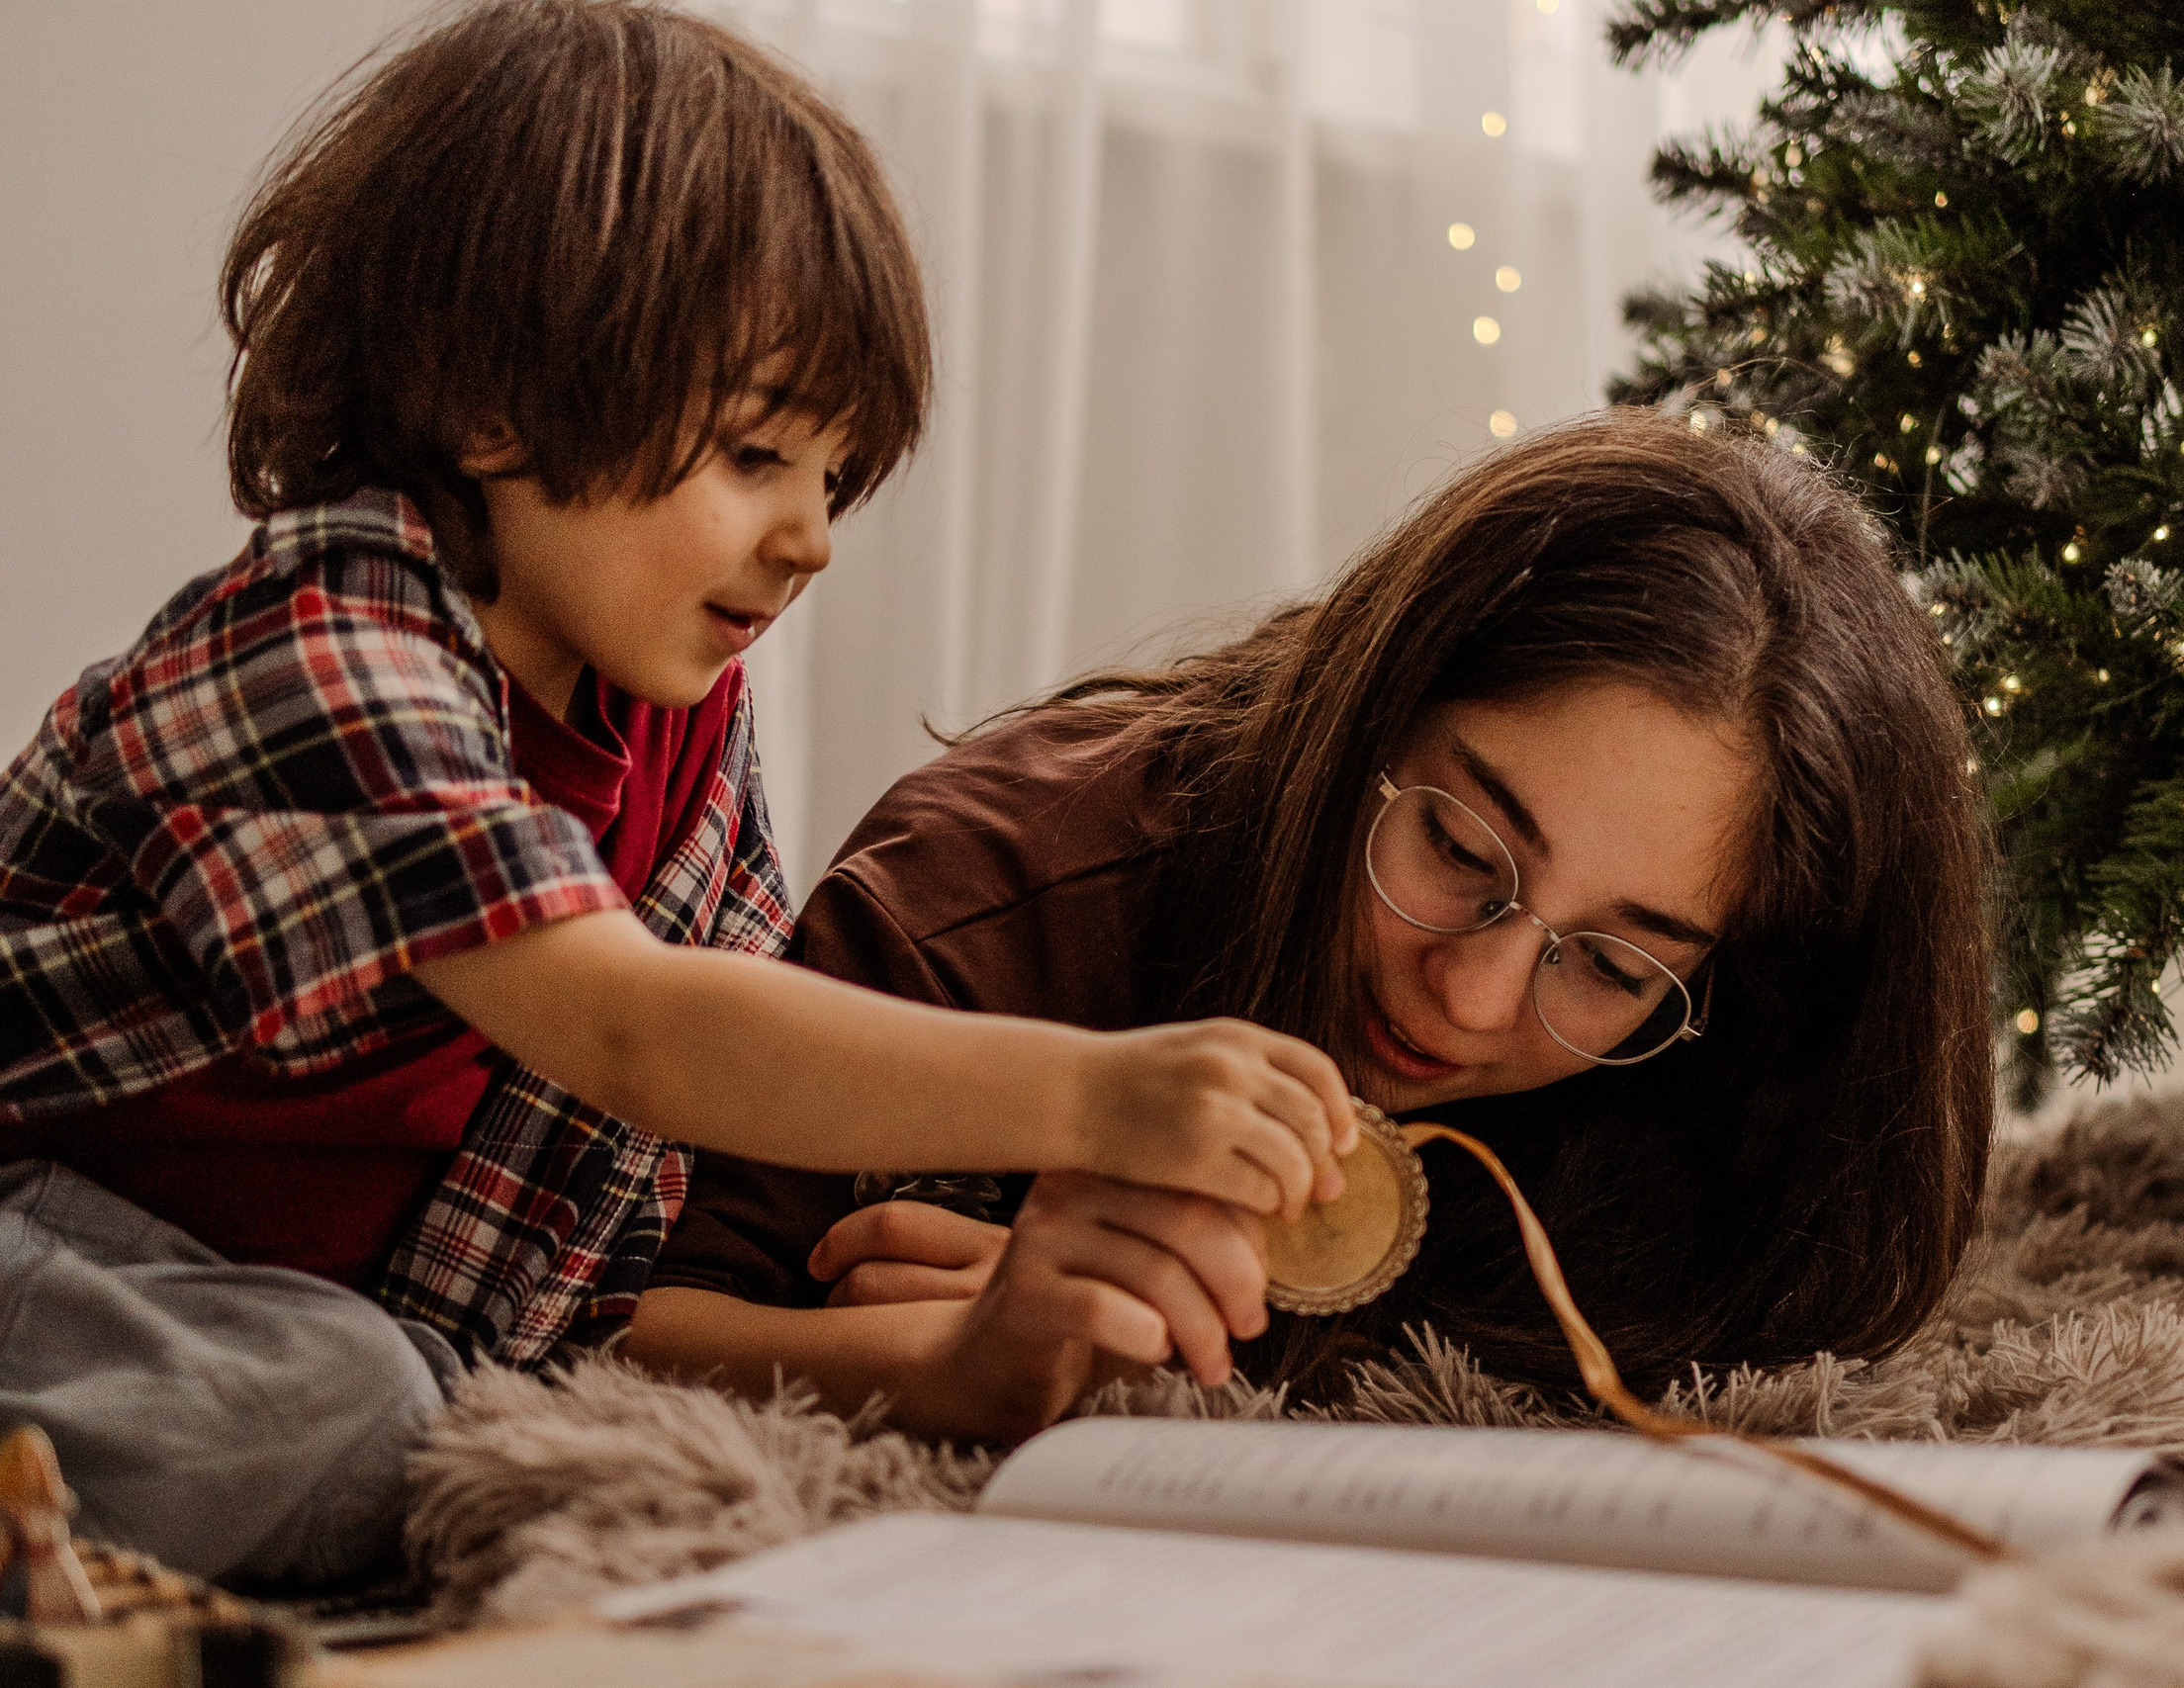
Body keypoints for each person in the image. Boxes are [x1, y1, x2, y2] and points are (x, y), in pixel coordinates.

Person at [0, 0, 1352, 1586]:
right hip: (50, 1237)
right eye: (756, 456)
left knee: (413, 1399)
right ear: (493, 403)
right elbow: (643, 1033)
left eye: (835, 476)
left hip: (318, 1331)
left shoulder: (676, 730)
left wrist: (965, 1360)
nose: (813, 538)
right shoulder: (320, 654)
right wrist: (1097, 1094)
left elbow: (586, 1316)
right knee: (353, 1408)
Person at [628, 409, 1996, 1444]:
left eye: (1610, 964)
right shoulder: (995, 894)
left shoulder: (1720, 1075)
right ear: (1364, 710)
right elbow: (616, 1332)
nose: (1473, 997)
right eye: (1459, 850)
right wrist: (964, 1363)